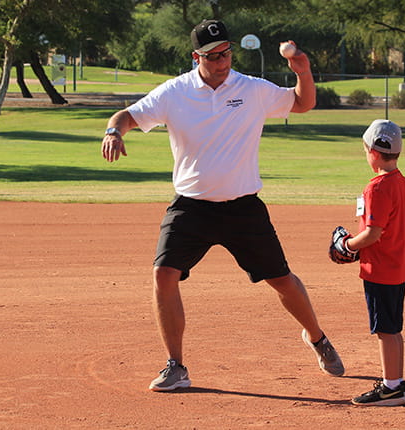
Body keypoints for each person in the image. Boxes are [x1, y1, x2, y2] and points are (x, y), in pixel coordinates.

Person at [100, 19, 344, 392]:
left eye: (227, 52)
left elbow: (303, 103)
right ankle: (176, 366)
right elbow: (127, 116)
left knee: (282, 281)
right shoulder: (175, 92)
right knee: (163, 275)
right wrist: (114, 131)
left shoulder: (252, 89)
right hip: (191, 208)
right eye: (214, 56)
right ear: (196, 57)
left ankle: (317, 337)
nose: (223, 61)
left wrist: (303, 72)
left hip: (243, 208)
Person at [336, 119, 405, 406]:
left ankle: (391, 388)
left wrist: (347, 245)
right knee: (392, 328)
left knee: (385, 330)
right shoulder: (401, 181)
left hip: (380, 269)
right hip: (397, 266)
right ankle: (398, 382)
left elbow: (372, 234)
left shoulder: (377, 187)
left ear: (373, 153)